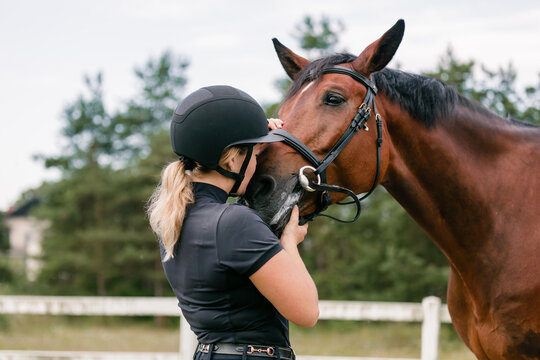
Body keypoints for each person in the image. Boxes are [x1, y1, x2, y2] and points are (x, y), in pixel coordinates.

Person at [147, 85, 319, 360]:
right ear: (232, 157)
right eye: (254, 151)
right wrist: (290, 243)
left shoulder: (174, 219)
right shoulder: (234, 222)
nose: (258, 161)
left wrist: (250, 133)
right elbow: (307, 311)